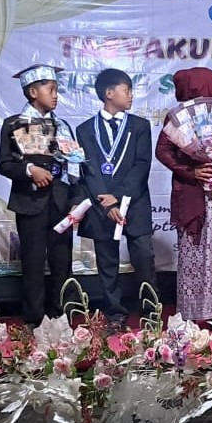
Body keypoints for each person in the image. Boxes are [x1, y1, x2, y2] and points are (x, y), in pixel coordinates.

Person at [0, 64, 84, 327]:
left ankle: (61, 316)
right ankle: (34, 319)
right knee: (33, 263)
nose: (56, 95)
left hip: (60, 203)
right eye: (51, 89)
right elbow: (4, 164)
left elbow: (76, 167)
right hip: (30, 203)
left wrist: (76, 202)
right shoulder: (14, 124)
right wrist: (29, 170)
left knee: (62, 262)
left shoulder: (63, 126)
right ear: (33, 92)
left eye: (57, 90)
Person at [155, 67, 212, 321]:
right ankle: (194, 313)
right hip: (192, 194)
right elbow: (162, 152)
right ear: (201, 87)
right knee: (194, 252)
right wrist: (191, 171)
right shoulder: (178, 118)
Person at [76, 68, 158, 332]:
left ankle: (151, 313)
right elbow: (89, 169)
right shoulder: (85, 129)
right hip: (102, 208)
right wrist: (108, 203)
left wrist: (120, 196)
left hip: (135, 204)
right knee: (107, 264)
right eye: (126, 90)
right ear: (109, 93)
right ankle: (115, 315)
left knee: (143, 258)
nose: (131, 95)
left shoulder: (140, 126)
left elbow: (142, 165)